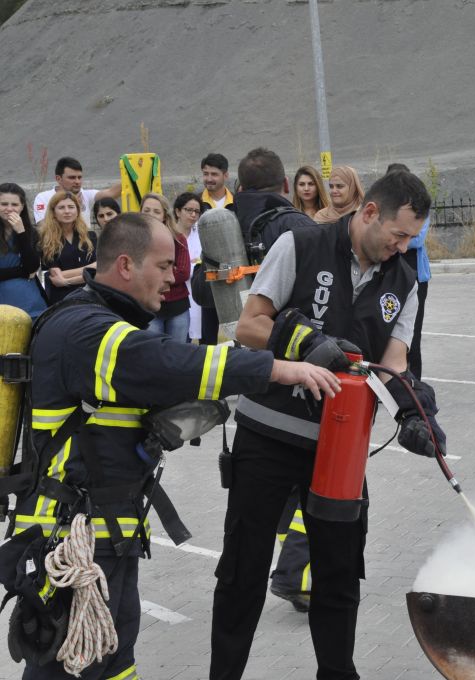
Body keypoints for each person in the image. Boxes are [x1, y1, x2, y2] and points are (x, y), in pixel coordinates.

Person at [9, 211, 340, 680]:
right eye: (165, 266)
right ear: (126, 265)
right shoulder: (85, 330)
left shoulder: (102, 320)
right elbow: (167, 363)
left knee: (111, 659)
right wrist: (276, 369)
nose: (174, 278)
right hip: (73, 541)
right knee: (74, 666)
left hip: (105, 535)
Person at [210, 169, 444, 680]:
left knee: (338, 577)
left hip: (339, 448)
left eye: (412, 239)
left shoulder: (403, 280)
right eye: (398, 234)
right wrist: (303, 343)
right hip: (267, 435)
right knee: (243, 573)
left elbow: (395, 364)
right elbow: (249, 326)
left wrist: (415, 414)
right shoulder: (300, 245)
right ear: (368, 214)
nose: (403, 248)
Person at [388, 163, 433, 378]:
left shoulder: (420, 210)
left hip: (416, 277)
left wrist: (395, 232)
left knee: (411, 336)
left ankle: (414, 382)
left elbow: (417, 239)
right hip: (388, 276)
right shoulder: (383, 209)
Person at [140, 193, 190, 342]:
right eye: (146, 210)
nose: (151, 215)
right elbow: (137, 273)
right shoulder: (134, 240)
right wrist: (168, 270)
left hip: (177, 307)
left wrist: (152, 273)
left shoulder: (178, 239)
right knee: (153, 356)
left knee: (178, 355)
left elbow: (183, 272)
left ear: (164, 216)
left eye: (156, 211)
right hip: (148, 308)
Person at [37, 192, 96, 305]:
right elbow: (54, 275)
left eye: (71, 207)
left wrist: (66, 280)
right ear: (53, 212)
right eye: (61, 207)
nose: (67, 211)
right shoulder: (46, 240)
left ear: (77, 211)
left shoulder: (90, 236)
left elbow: (97, 272)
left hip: (90, 295)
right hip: (61, 298)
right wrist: (88, 269)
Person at [0, 183, 46, 319]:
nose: (9, 209)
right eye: (4, 204)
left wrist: (21, 233)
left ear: (22, 206)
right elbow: (27, 271)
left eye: (14, 204)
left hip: (28, 302)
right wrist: (21, 272)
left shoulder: (31, 232)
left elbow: (32, 266)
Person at [32, 157, 120, 223]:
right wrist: (73, 206)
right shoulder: (43, 197)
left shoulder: (85, 195)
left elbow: (111, 194)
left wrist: (131, 175)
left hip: (83, 245)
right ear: (58, 179)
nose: (77, 181)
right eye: (72, 178)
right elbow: (42, 226)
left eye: (79, 177)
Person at [173, 192, 205, 341]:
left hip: (196, 292)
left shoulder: (201, 235)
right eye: (189, 210)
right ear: (178, 211)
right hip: (175, 296)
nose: (193, 215)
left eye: (197, 212)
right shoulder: (169, 235)